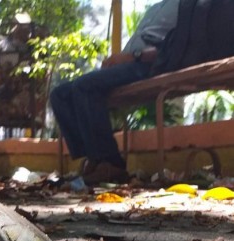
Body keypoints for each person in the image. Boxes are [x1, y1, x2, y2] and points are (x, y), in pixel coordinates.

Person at [50, 0, 179, 185]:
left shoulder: (184, 6)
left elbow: (171, 50)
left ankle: (111, 162)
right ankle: (94, 158)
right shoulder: (156, 7)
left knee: (85, 86)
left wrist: (133, 56)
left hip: (150, 65)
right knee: (60, 95)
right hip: (130, 63)